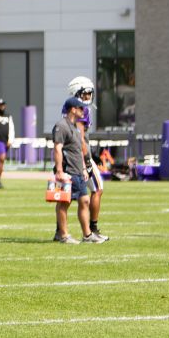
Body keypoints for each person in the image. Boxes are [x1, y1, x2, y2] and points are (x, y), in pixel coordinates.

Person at [52, 97, 106, 243]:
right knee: (65, 202)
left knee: (85, 201)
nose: (83, 111)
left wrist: (83, 168)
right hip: (67, 171)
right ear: (73, 109)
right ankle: (63, 235)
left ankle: (87, 235)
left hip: (77, 171)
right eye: (81, 108)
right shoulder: (61, 126)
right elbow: (57, 149)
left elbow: (78, 150)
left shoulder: (75, 127)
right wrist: (59, 171)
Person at [66, 76, 108, 237]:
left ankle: (60, 231)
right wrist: (86, 160)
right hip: (79, 157)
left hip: (71, 156)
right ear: (77, 92)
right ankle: (93, 229)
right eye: (86, 92)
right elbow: (80, 137)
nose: (89, 96)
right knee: (97, 189)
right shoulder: (80, 110)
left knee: (68, 194)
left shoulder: (68, 107)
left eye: (90, 92)